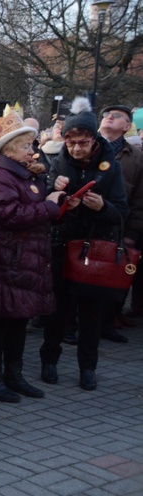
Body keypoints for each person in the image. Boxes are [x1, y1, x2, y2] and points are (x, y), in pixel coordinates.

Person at [0, 109, 62, 403]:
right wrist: (48, 206)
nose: (32, 150)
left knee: (19, 319)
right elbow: (12, 216)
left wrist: (58, 203)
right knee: (0, 322)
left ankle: (14, 376)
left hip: (21, 260)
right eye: (26, 146)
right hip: (4, 261)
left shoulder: (21, 175)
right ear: (9, 149)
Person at [40, 97, 128, 391]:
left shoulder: (110, 166)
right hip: (63, 245)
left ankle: (87, 367)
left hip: (96, 249)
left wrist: (102, 206)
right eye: (70, 141)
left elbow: (120, 213)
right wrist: (59, 195)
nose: (76, 148)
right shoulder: (57, 162)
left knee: (91, 312)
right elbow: (47, 207)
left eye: (82, 142)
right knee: (57, 310)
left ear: (94, 139)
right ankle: (48, 360)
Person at [98, 104, 143, 335]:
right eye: (106, 115)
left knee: (114, 277)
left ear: (127, 127)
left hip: (118, 226)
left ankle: (108, 322)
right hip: (87, 224)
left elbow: (138, 200)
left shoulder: (135, 156)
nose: (109, 117)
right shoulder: (85, 145)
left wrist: (132, 233)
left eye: (116, 116)